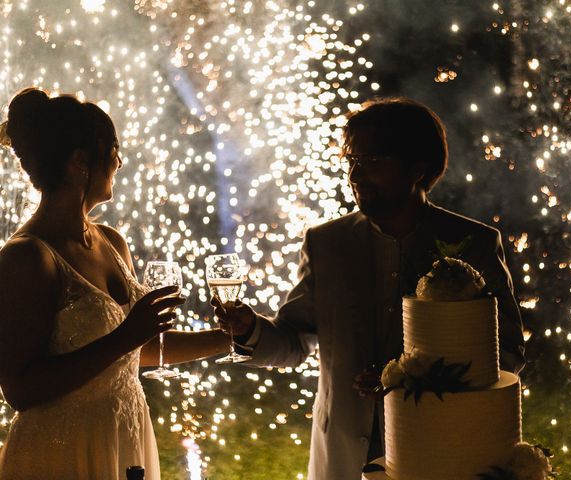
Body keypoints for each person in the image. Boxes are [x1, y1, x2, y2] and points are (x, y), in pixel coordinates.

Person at [214, 97, 526, 480]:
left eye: (372, 162)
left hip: (442, 449)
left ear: (418, 167)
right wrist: (250, 329)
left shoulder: (474, 242)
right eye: (352, 161)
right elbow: (295, 343)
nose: (356, 176)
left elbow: (506, 351)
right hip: (343, 453)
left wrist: (413, 378)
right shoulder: (325, 243)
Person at [0, 88, 230, 479]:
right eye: (113, 151)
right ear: (80, 162)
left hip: (125, 435)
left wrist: (231, 337)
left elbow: (135, 351)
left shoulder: (112, 241)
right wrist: (127, 336)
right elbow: (20, 389)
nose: (120, 163)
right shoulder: (27, 256)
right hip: (63, 451)